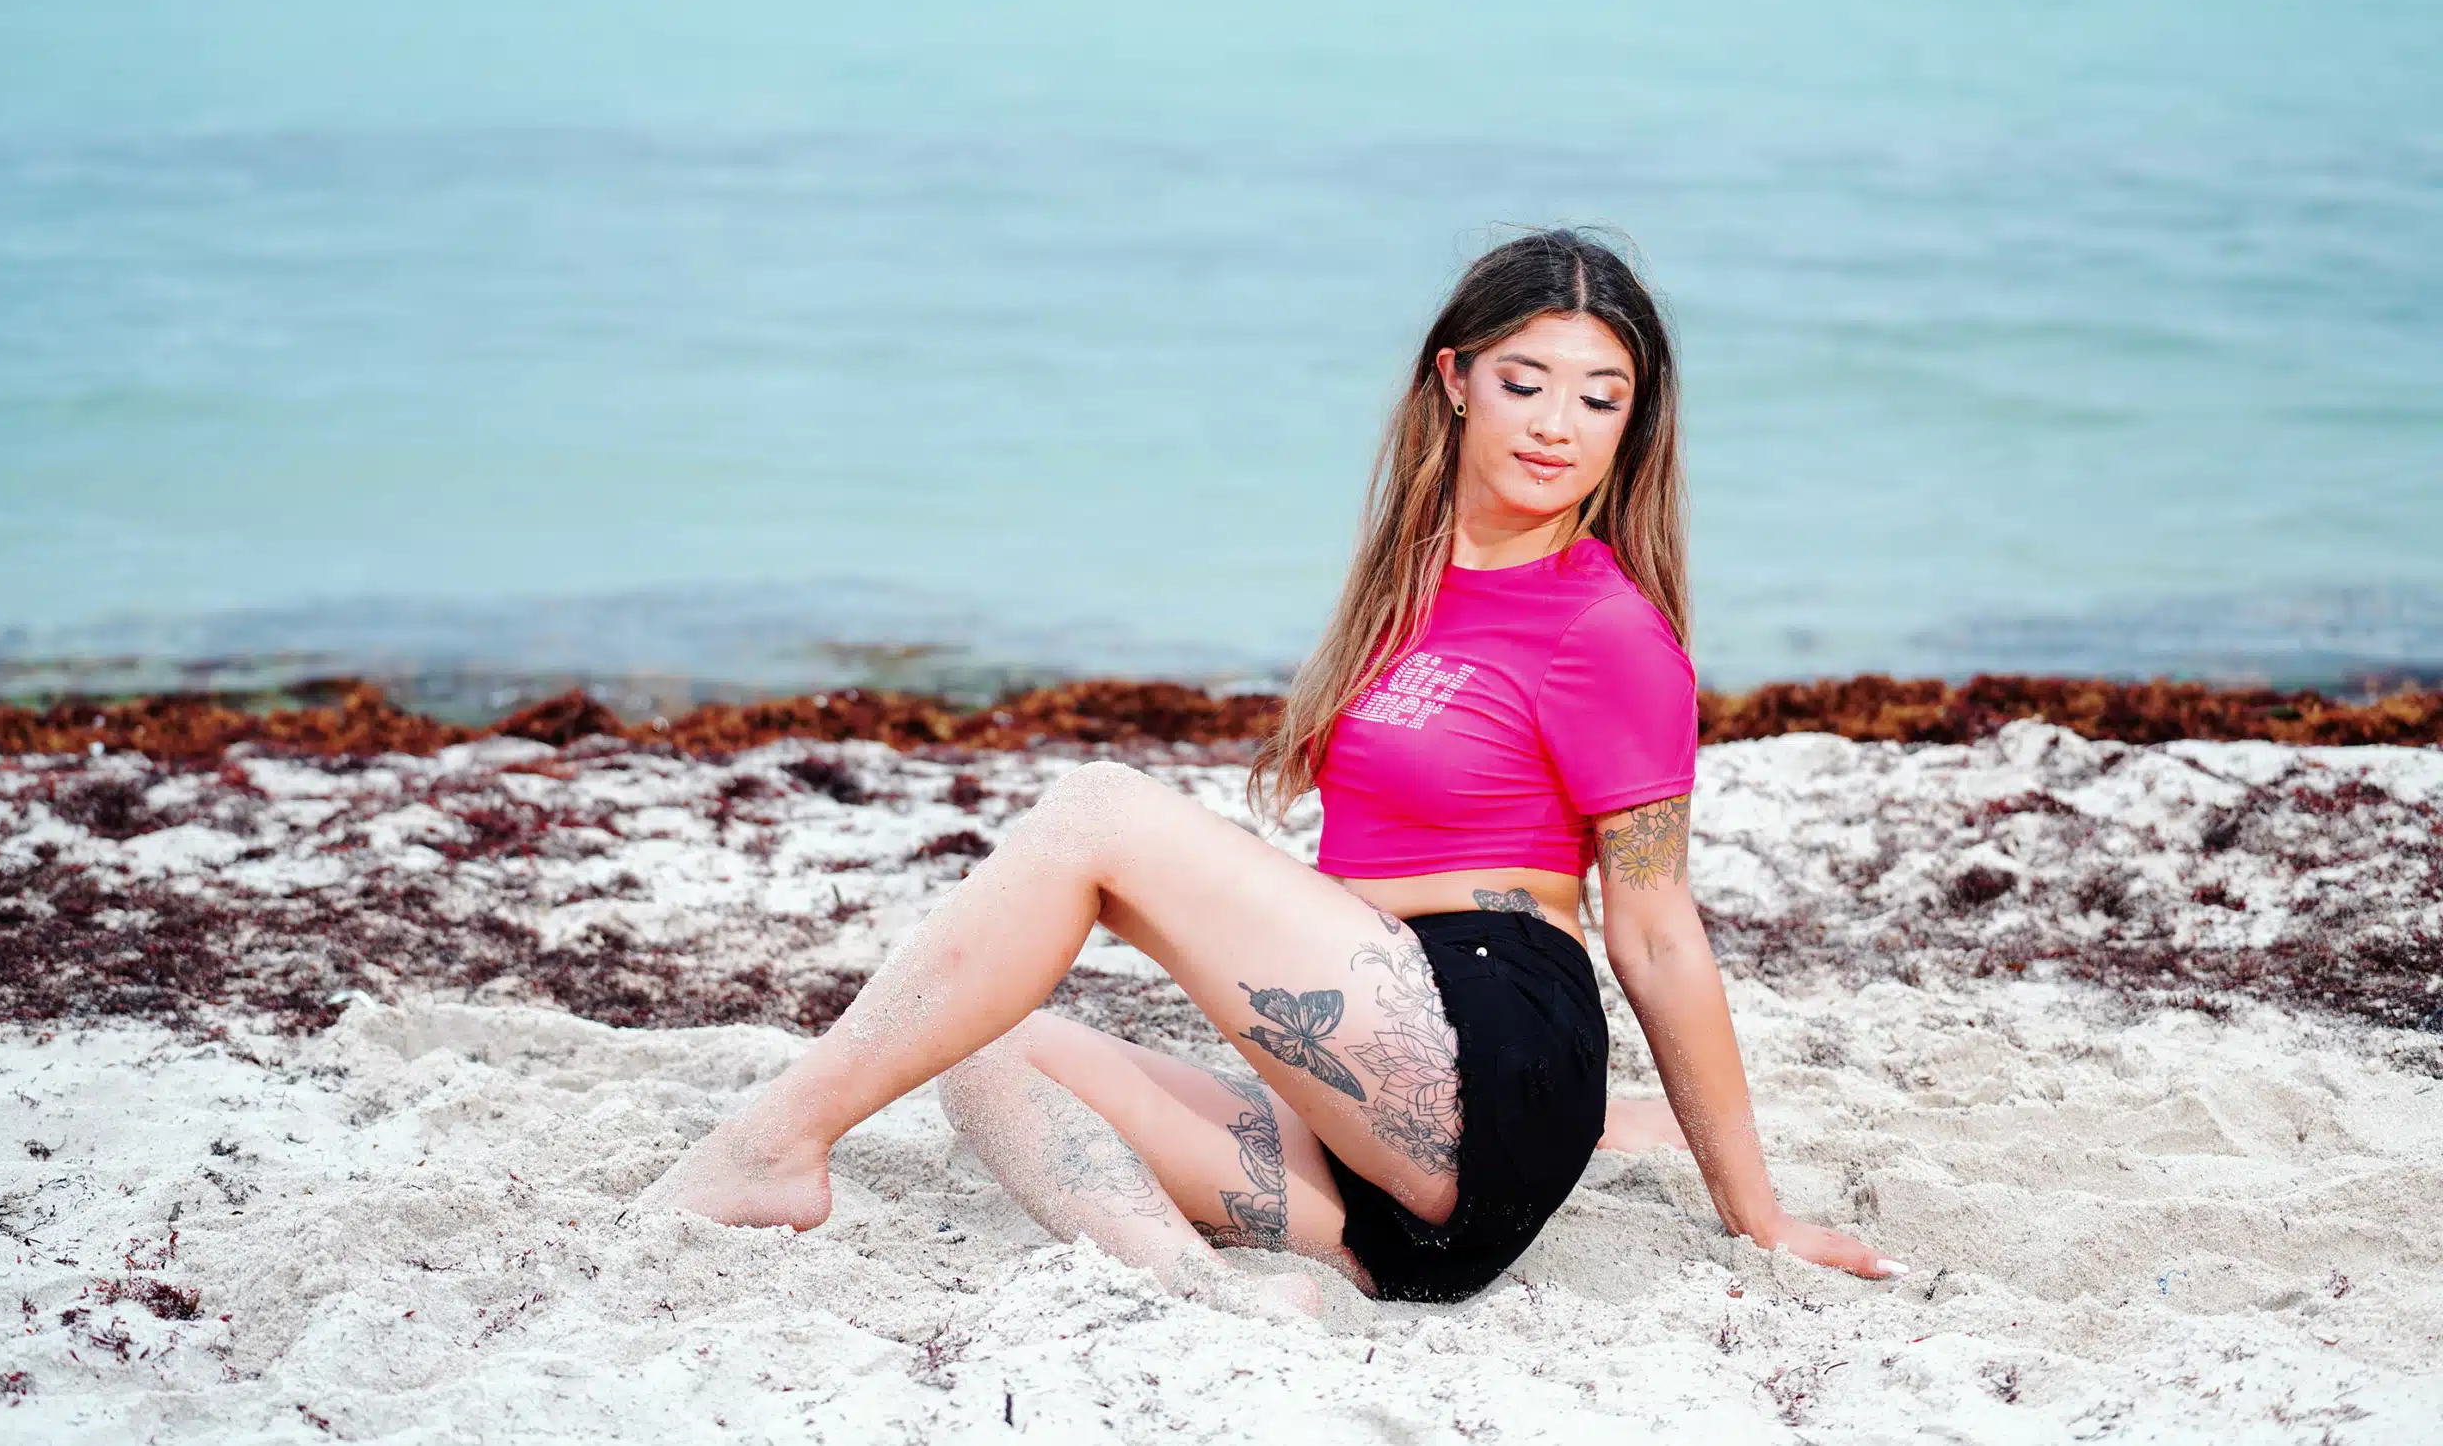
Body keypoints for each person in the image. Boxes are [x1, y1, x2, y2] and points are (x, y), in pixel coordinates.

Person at [642, 228, 1904, 1308]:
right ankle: (1205, 1294)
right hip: (1383, 1149)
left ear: (1634, 424)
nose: (1555, 425)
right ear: (1455, 380)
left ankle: (772, 1141)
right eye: (1525, 381)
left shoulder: (1607, 627)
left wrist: (1756, 1212)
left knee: (1094, 810)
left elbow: (1656, 928)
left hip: (1490, 1040)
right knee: (975, 1044)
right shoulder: (1407, 592)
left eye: (1599, 398)